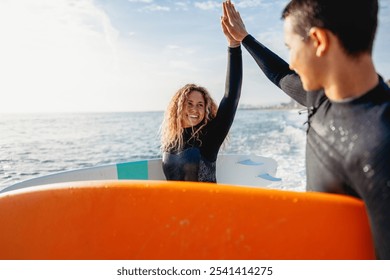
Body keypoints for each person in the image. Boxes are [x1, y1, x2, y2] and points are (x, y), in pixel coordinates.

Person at [221, 0, 390, 259]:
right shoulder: (320, 97)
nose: (292, 62)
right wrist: (244, 38)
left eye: (291, 48)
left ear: (319, 41)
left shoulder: (382, 144)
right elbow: (280, 74)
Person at [160, 12, 243, 182]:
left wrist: (234, 46)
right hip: (176, 208)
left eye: (200, 105)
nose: (194, 109)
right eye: (189, 103)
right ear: (179, 107)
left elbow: (231, 96)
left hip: (207, 208)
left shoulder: (210, 136)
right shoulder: (171, 139)